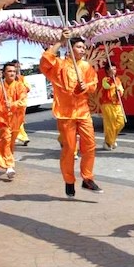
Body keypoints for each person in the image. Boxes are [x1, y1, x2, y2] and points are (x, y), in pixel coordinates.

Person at [40, 29, 101, 197]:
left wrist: (86, 87)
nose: (82, 50)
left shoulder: (86, 66)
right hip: (65, 113)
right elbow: (45, 61)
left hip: (83, 112)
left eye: (83, 47)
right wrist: (60, 41)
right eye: (79, 47)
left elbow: (94, 84)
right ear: (70, 48)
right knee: (69, 149)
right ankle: (69, 181)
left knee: (89, 145)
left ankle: (87, 178)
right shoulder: (59, 65)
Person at [0, 62, 28, 179]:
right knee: (6, 139)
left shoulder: (20, 86)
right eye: (9, 71)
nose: (12, 73)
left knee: (11, 143)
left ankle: (8, 161)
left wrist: (12, 104)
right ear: (3, 73)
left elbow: (23, 101)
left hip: (16, 118)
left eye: (13, 71)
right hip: (3, 118)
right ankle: (9, 165)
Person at [100, 62, 125, 150]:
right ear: (107, 70)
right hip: (108, 104)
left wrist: (120, 91)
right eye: (111, 69)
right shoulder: (105, 79)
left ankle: (110, 140)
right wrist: (113, 84)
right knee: (110, 125)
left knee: (121, 122)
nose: (113, 71)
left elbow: (122, 89)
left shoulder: (117, 79)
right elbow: (106, 86)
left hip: (117, 104)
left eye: (114, 69)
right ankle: (109, 142)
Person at [10, 60, 31, 146]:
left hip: (22, 103)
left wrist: (20, 82)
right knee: (17, 121)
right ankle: (23, 137)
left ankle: (16, 136)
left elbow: (28, 89)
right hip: (12, 104)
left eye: (18, 67)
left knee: (20, 120)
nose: (18, 68)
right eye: (16, 67)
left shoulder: (22, 78)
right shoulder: (8, 79)